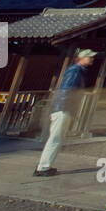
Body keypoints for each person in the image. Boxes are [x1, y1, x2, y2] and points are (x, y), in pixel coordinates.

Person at [34, 48, 96, 177]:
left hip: (63, 108)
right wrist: (67, 107)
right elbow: (67, 90)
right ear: (81, 58)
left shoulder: (78, 71)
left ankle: (45, 165)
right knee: (55, 138)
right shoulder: (75, 70)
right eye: (89, 57)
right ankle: (43, 167)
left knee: (57, 138)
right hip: (62, 108)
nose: (91, 59)